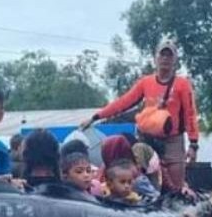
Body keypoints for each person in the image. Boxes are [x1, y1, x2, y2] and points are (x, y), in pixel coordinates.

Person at [79, 37, 199, 192]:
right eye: (162, 55)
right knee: (139, 180)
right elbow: (123, 102)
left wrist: (193, 144)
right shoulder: (146, 82)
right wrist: (96, 117)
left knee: (175, 187)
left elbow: (190, 114)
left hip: (172, 141)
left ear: (175, 59)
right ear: (155, 58)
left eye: (169, 55)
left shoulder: (182, 84)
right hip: (146, 140)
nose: (165, 59)